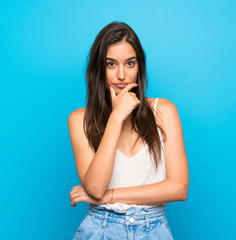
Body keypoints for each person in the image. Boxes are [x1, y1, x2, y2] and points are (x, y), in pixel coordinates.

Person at [68, 21, 189, 239]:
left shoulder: (163, 111)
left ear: (139, 67)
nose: (122, 75)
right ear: (99, 69)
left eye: (130, 63)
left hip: (153, 229)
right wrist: (116, 117)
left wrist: (110, 196)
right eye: (111, 64)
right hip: (100, 228)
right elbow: (95, 188)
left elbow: (179, 188)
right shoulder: (80, 120)